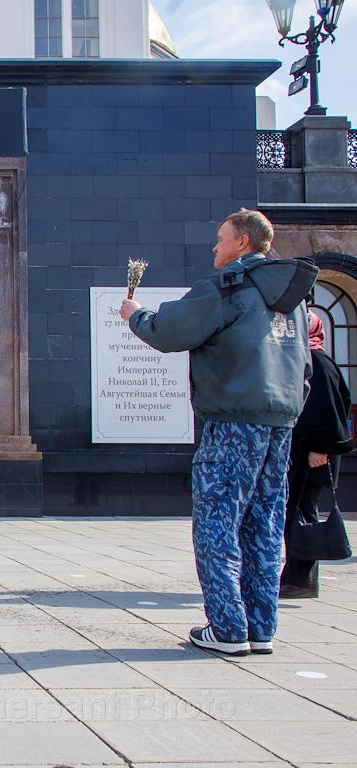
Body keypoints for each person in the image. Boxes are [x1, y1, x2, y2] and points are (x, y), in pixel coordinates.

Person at [119, 208, 314, 656]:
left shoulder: (229, 286)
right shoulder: (293, 299)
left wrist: (135, 315)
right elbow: (305, 367)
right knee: (264, 524)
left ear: (243, 242)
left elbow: (170, 330)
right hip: (279, 424)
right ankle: (260, 627)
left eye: (221, 238)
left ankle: (227, 628)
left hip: (232, 422)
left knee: (217, 523)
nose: (214, 247)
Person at [280, 311, 354, 599]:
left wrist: (320, 449)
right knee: (296, 511)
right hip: (307, 450)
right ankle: (297, 576)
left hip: (315, 454)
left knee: (302, 513)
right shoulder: (307, 358)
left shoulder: (318, 362)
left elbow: (329, 410)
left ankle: (300, 580)